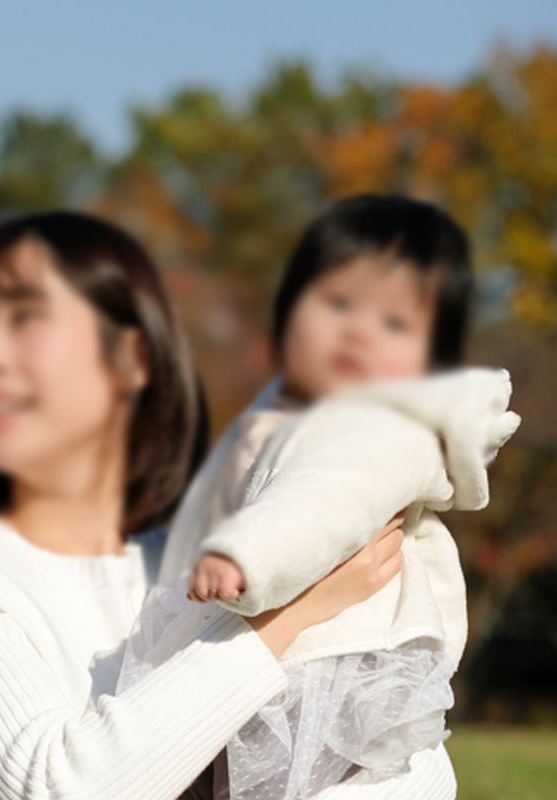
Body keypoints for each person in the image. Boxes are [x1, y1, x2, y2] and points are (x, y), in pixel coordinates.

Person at [0, 211, 453, 799]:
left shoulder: (192, 563)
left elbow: (413, 772)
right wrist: (282, 617)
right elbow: (58, 789)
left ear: (133, 360)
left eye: (26, 319)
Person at [122, 194, 519, 799]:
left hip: (336, 657)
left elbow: (329, 502)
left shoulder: (383, 424)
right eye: (336, 303)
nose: (358, 330)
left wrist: (247, 557)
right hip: (284, 633)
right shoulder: (288, 410)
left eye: (395, 323)